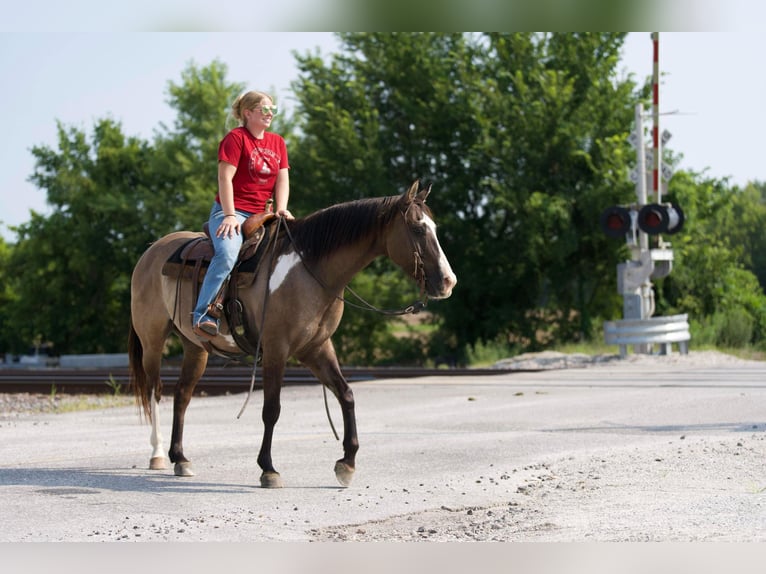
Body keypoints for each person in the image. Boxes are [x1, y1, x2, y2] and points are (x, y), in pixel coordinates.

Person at [192, 90, 294, 340]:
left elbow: (282, 180)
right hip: (233, 211)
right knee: (227, 254)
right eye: (265, 109)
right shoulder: (235, 139)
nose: (270, 114)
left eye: (273, 109)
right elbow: (224, 179)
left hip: (264, 214)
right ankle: (203, 314)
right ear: (248, 113)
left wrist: (282, 208)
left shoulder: (277, 142)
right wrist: (228, 215)